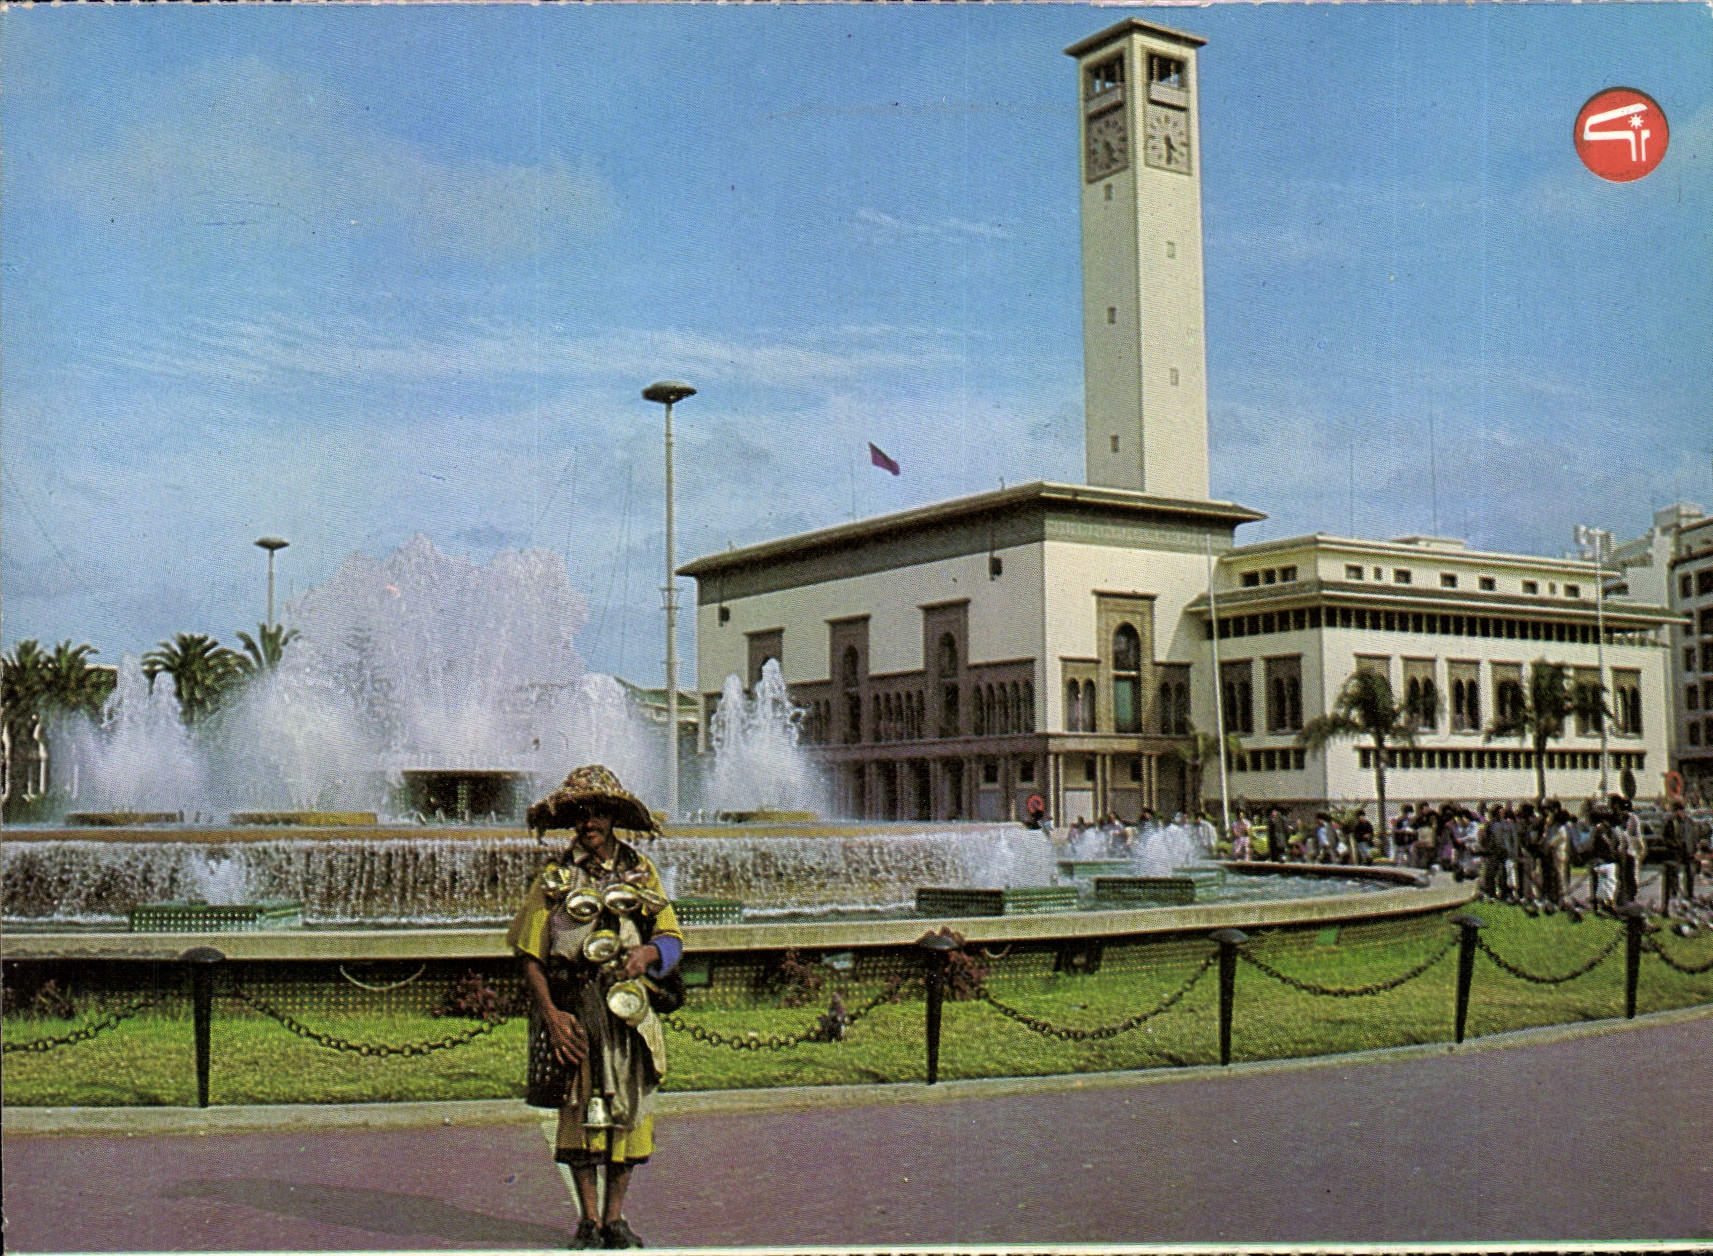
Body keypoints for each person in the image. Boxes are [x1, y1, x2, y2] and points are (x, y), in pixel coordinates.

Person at [509, 765, 685, 1250]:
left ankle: (615, 1218)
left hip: (628, 1009)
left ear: (613, 817)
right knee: (580, 1111)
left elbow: (671, 939)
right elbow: (529, 955)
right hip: (574, 1007)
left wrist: (647, 954)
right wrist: (551, 1015)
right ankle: (588, 1219)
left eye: (599, 812)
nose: (591, 822)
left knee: (627, 1111)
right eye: (582, 814)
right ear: (573, 822)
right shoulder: (553, 879)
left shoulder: (640, 873)